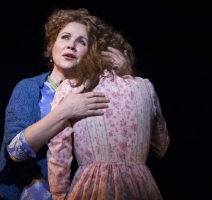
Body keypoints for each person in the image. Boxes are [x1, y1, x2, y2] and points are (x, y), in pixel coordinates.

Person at [0, 8, 131, 200]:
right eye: (65, 37)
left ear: (90, 53)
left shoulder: (95, 91)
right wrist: (65, 111)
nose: (71, 46)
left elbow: (129, 136)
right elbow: (15, 151)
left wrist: (124, 76)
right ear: (51, 46)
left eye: (81, 42)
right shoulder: (30, 88)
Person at [47, 9, 170, 200]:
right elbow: (161, 147)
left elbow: (59, 150)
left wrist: (58, 194)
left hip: (90, 187)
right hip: (141, 187)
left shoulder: (71, 88)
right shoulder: (145, 87)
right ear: (125, 56)